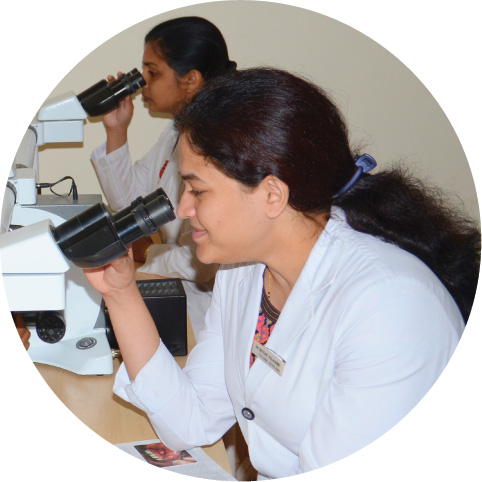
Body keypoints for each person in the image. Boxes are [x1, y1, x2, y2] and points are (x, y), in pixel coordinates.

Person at [84, 68, 480, 478]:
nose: (183, 209)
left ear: (272, 194)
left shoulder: (389, 308)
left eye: (197, 190)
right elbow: (192, 419)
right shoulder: (244, 270)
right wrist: (121, 293)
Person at [90, 16, 237, 339]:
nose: (143, 83)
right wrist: (117, 129)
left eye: (153, 73)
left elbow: (204, 261)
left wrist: (148, 260)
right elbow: (129, 204)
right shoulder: (174, 133)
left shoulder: (220, 144)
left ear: (190, 79)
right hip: (180, 294)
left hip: (208, 309)